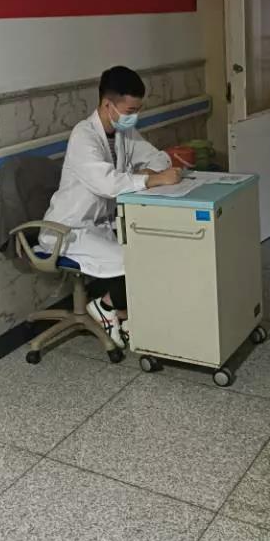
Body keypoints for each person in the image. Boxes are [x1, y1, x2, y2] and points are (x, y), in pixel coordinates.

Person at [40, 66, 182, 347]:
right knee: (131, 260)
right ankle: (105, 306)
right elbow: (107, 183)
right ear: (108, 105)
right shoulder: (84, 136)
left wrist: (151, 171)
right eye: (130, 110)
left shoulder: (123, 132)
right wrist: (151, 180)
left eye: (138, 110)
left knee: (150, 247)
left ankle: (121, 312)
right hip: (69, 229)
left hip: (102, 223)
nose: (134, 116)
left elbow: (158, 158)